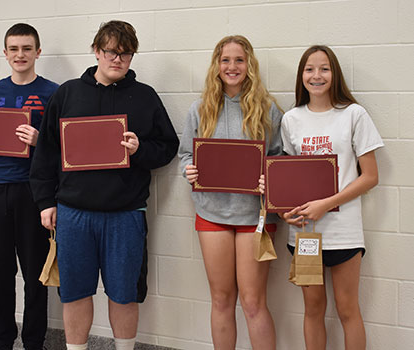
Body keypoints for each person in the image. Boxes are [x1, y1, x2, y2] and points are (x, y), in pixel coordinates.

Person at [29, 20, 179, 350]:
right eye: (111, 51)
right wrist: (45, 203)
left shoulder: (145, 97)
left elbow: (168, 148)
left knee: (124, 294)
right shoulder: (67, 94)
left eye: (125, 54)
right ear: (96, 51)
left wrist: (140, 149)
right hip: (73, 214)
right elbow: (45, 155)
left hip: (125, 215)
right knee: (75, 291)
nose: (118, 59)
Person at [178, 35, 282, 349]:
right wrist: (189, 170)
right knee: (221, 300)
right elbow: (185, 154)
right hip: (212, 214)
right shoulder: (200, 109)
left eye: (239, 60)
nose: (232, 66)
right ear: (216, 66)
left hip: (256, 215)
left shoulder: (268, 109)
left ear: (249, 65)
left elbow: (280, 157)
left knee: (253, 303)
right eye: (226, 60)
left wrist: (270, 177)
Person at [278, 45, 383, 350]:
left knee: (348, 310)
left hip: (344, 233)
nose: (317, 75)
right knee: (312, 309)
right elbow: (288, 179)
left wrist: (326, 203)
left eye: (324, 68)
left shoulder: (354, 114)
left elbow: (371, 176)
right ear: (302, 76)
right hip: (305, 234)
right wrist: (286, 211)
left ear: (334, 74)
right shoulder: (291, 119)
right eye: (310, 69)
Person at [0, 23, 59, 350]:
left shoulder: (53, 92)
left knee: (36, 278)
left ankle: (34, 343)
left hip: (34, 194)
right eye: (14, 49)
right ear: (5, 53)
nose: (21, 54)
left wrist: (40, 140)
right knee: (0, 278)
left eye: (27, 48)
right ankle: (2, 341)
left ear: (37, 52)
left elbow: (65, 149)